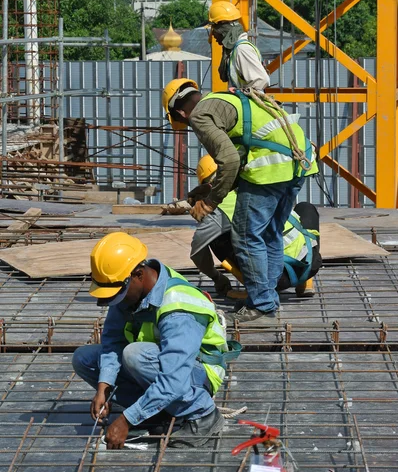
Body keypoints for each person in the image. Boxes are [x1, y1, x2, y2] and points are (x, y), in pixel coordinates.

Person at [162, 76, 318, 323]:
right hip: (299, 163)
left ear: (181, 112)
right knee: (270, 233)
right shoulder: (225, 98)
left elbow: (231, 162)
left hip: (271, 171)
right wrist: (211, 189)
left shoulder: (200, 116)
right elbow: (244, 153)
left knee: (246, 236)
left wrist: (211, 201)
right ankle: (267, 298)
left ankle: (262, 304)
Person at [72, 232, 234, 449]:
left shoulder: (178, 308)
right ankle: (155, 413)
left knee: (134, 355)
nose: (115, 302)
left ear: (138, 275)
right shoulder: (129, 290)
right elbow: (112, 339)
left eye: (117, 294)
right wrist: (104, 387)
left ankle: (202, 414)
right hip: (157, 362)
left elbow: (173, 378)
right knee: (85, 359)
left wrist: (126, 419)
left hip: (197, 370)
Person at [190, 155, 322, 298]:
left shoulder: (220, 209)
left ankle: (255, 291)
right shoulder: (261, 181)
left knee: (214, 238)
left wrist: (217, 277)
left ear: (208, 186)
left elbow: (197, 251)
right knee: (305, 208)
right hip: (310, 264)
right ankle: (306, 282)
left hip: (274, 280)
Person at [208, 0, 270, 90]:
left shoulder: (242, 49)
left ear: (222, 28)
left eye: (214, 28)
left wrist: (240, 93)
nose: (213, 34)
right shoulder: (233, 50)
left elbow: (261, 80)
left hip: (248, 102)